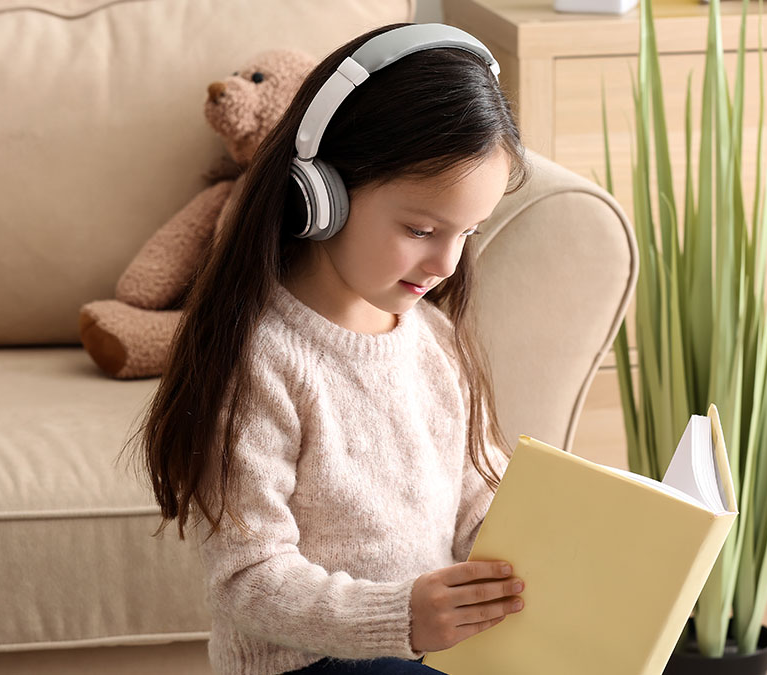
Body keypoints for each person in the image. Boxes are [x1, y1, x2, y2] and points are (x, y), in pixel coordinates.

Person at [130, 22, 532, 675]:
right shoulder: (261, 361)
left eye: (468, 233)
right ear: (323, 193)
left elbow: (475, 490)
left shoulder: (433, 339)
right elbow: (250, 578)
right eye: (421, 228)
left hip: (415, 648)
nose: (446, 263)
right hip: (306, 661)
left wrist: (515, 544)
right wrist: (398, 616)